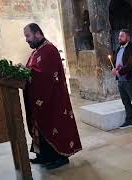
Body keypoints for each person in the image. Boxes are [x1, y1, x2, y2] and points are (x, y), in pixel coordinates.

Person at [23, 23, 82, 169]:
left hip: (54, 100)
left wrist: (30, 73)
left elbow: (47, 76)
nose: (26, 39)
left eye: (28, 36)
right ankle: (44, 155)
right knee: (41, 126)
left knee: (56, 125)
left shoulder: (49, 50)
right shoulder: (37, 52)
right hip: (40, 100)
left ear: (37, 33)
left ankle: (60, 157)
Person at [111, 29, 132, 131]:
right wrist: (113, 69)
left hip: (129, 79)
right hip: (120, 80)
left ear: (128, 37)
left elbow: (131, 64)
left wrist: (120, 72)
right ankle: (129, 120)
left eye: (122, 36)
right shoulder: (118, 49)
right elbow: (114, 61)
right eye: (119, 36)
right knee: (125, 101)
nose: (119, 38)